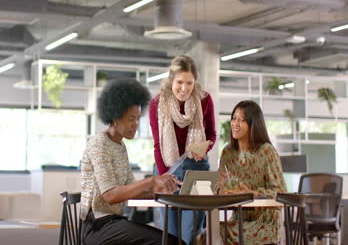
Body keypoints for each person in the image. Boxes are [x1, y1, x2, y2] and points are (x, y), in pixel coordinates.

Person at [81, 78, 184, 245]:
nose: (136, 124)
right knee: (171, 243)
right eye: (131, 119)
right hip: (97, 227)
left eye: (137, 119)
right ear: (115, 117)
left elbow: (130, 191)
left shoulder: (119, 146)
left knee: (173, 241)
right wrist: (151, 180)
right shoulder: (99, 144)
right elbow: (110, 195)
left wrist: (160, 192)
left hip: (114, 222)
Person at [149, 55, 216, 245]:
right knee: (170, 235)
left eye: (190, 83)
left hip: (198, 168)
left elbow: (212, 134)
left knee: (191, 233)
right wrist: (164, 177)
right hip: (167, 169)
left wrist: (204, 147)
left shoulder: (204, 100)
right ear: (171, 80)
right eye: (179, 82)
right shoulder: (157, 103)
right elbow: (157, 145)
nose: (184, 88)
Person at [216, 100, 287, 244]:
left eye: (242, 120)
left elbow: (281, 193)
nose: (235, 123)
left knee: (214, 234)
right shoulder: (227, 152)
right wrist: (221, 191)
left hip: (265, 224)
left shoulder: (267, 151)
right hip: (238, 221)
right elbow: (220, 188)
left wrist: (251, 194)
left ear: (253, 125)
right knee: (207, 235)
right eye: (234, 118)